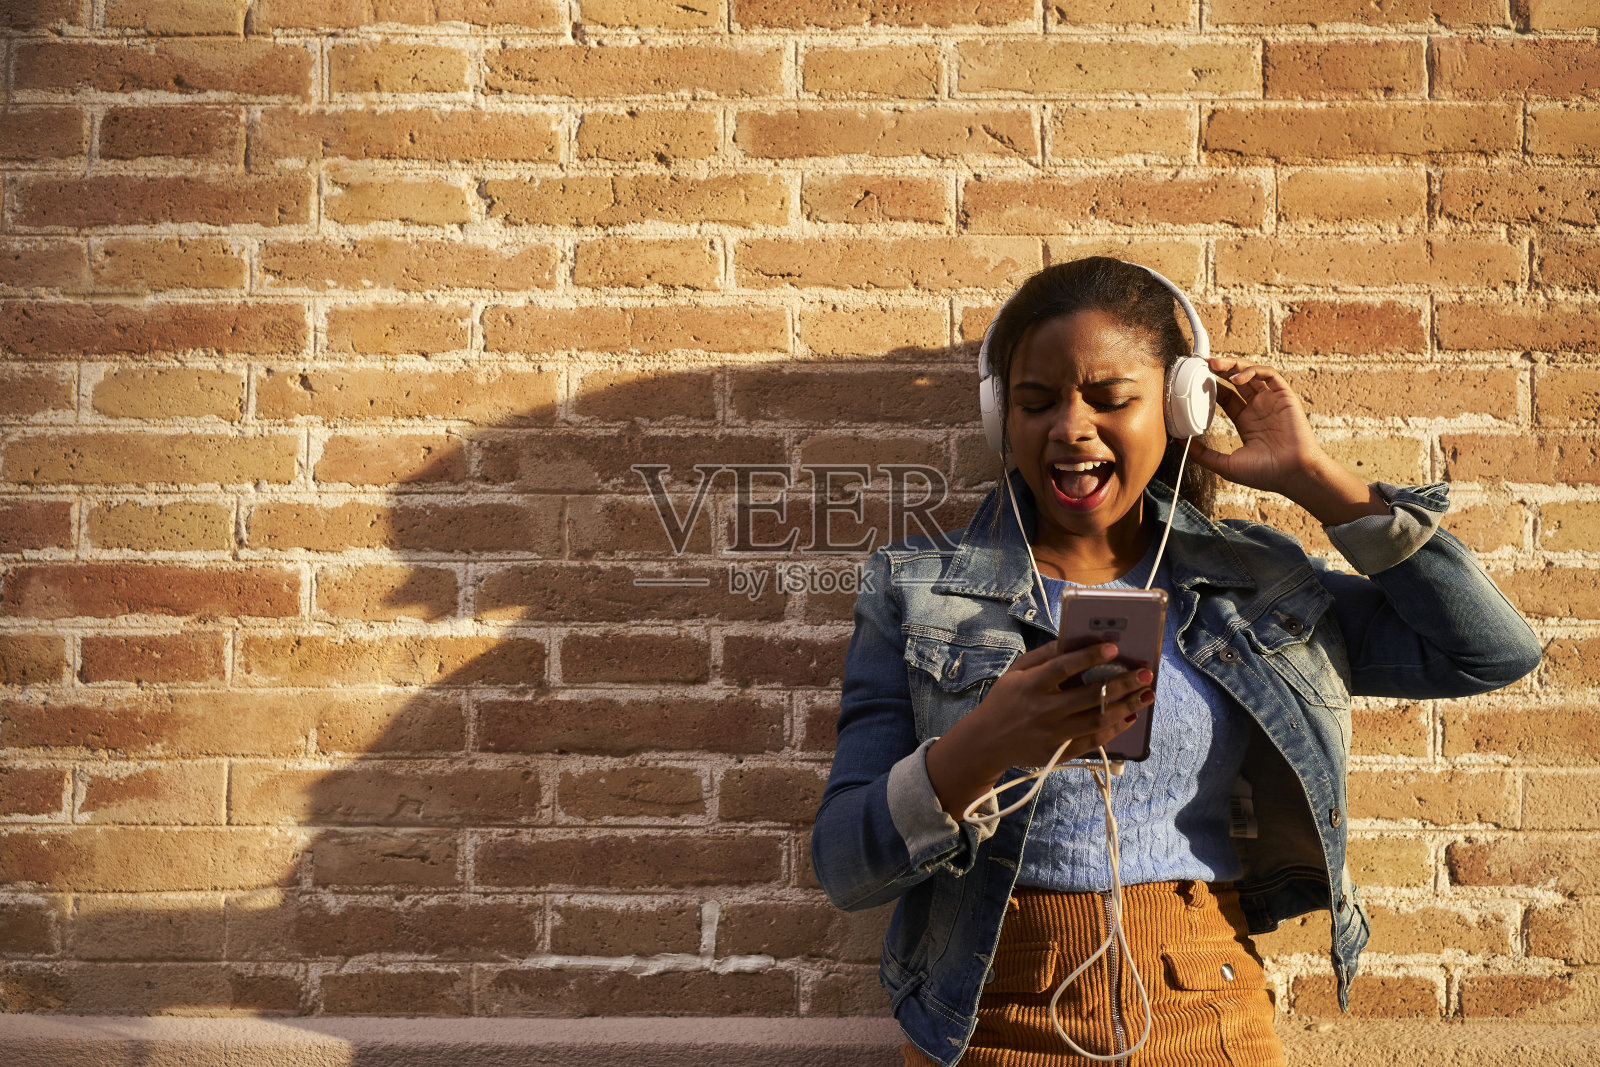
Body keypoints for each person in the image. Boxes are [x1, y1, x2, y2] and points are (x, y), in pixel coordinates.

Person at [810, 257, 1542, 1066]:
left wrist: (1317, 480)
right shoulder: (915, 588)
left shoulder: (1251, 583)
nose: (1071, 426)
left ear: (1178, 405)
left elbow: (1491, 650)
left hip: (1206, 1005)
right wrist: (987, 742)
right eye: (1036, 401)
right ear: (999, 418)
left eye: (1109, 398)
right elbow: (845, 863)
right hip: (988, 1017)